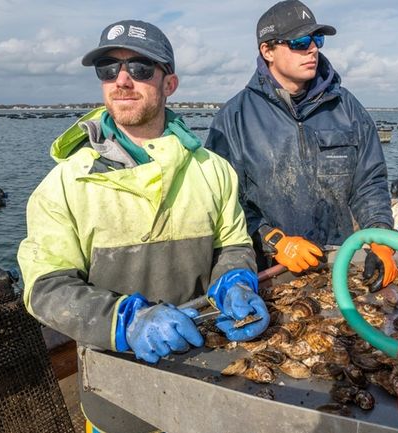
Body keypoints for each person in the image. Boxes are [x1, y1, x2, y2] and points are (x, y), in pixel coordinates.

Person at [17, 19, 269, 433]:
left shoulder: (215, 171)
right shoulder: (64, 183)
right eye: (108, 69)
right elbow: (45, 287)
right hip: (115, 394)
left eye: (140, 68)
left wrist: (235, 282)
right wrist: (126, 321)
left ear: (169, 84)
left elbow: (233, 244)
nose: (122, 81)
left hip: (210, 375)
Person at [205, 0, 398, 291]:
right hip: (271, 268)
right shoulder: (233, 117)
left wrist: (381, 237)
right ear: (267, 50)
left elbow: (369, 182)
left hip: (338, 261)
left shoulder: (347, 107)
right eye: (299, 42)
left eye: (317, 39)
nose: (313, 49)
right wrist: (275, 240)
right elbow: (225, 202)